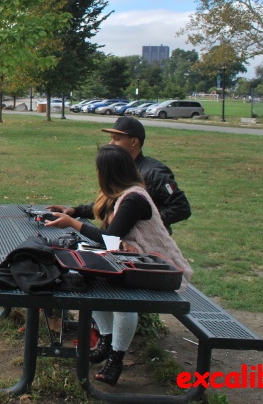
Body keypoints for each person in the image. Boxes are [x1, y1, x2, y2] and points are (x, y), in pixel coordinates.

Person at [45, 145, 193, 386]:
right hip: (136, 263)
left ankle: (116, 357)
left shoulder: (134, 198)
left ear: (108, 172)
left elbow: (110, 239)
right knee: (85, 278)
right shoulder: (122, 194)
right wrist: (76, 212)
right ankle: (106, 339)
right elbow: (109, 230)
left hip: (161, 271)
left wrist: (73, 223)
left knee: (123, 299)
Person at [49, 116, 191, 231]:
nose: (111, 143)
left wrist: (140, 222)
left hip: (144, 245)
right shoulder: (120, 168)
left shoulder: (154, 172)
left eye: (117, 139)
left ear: (134, 142)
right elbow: (110, 204)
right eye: (111, 138)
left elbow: (181, 208)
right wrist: (75, 211)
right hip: (118, 240)